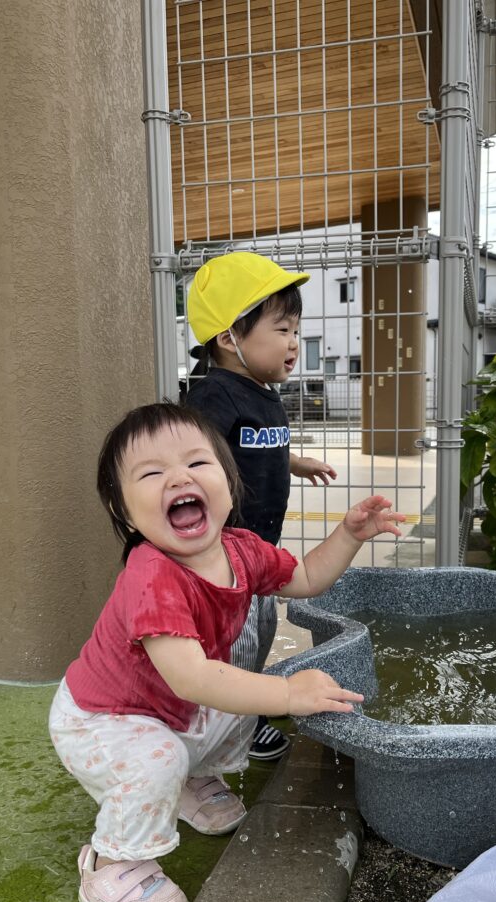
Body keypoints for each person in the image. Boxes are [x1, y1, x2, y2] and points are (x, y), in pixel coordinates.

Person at [48, 402, 404, 902]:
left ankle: (191, 784)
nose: (178, 478)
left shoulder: (241, 550)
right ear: (125, 511)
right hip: (102, 718)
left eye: (197, 463)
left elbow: (307, 577)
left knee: (237, 698)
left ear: (229, 484)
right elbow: (192, 677)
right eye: (151, 473)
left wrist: (349, 535)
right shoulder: (152, 575)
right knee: (161, 754)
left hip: (169, 706)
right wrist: (287, 693)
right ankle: (110, 861)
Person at [184, 251, 336, 761]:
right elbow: (192, 461)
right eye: (282, 330)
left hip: (258, 549)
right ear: (230, 338)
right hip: (224, 556)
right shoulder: (213, 396)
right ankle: (233, 730)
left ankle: (249, 706)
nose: (293, 343)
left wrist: (293, 462)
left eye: (296, 330)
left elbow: (248, 446)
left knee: (263, 629)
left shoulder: (258, 391)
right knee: (236, 642)